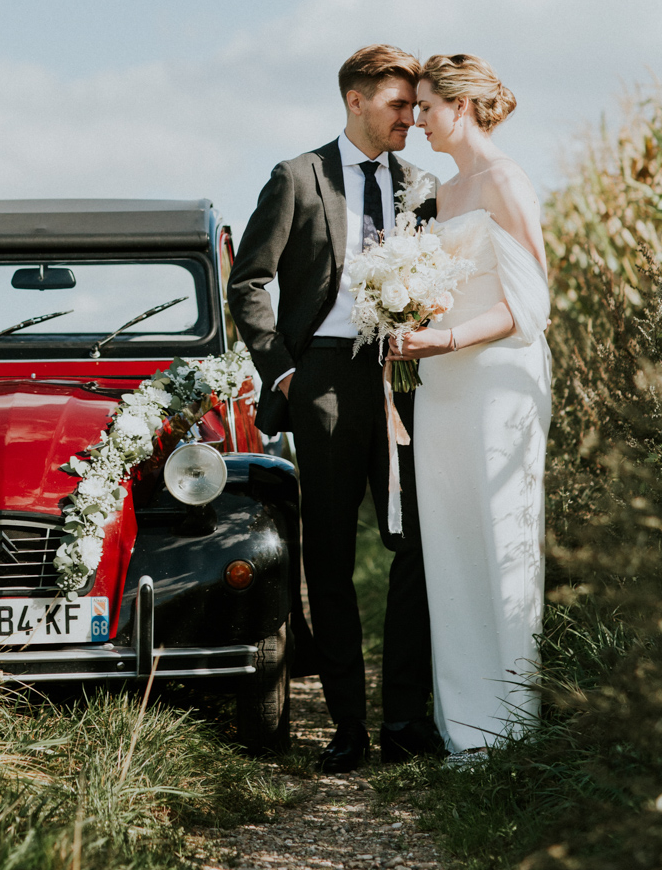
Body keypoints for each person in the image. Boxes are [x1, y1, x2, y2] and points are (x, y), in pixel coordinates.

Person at [227, 44, 443, 773]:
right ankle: (349, 727)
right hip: (320, 382)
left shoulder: (423, 184)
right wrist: (283, 374)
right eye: (397, 106)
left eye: (414, 107)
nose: (410, 119)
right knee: (330, 555)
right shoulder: (297, 178)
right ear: (356, 101)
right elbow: (248, 283)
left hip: (408, 379)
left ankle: (405, 720)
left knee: (417, 545)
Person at [387, 53, 551, 762]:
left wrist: (447, 337)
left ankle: (513, 723)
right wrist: (410, 321)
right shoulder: (445, 195)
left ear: (462, 107)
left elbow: (532, 306)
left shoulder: (506, 180)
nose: (416, 120)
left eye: (425, 107)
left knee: (497, 534)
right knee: (449, 546)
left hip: (496, 382)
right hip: (442, 388)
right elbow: (448, 285)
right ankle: (467, 728)